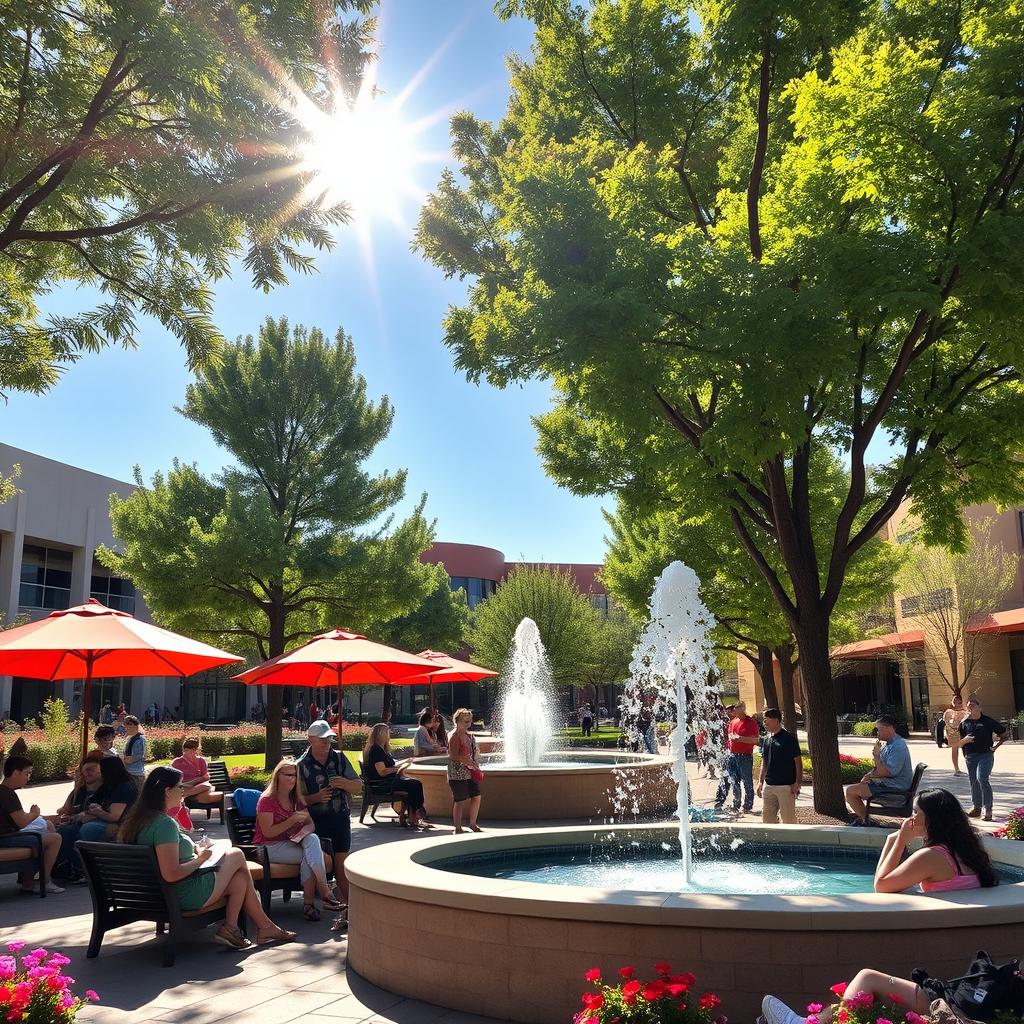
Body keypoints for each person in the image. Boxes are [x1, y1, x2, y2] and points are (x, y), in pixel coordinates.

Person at [119, 766, 296, 948]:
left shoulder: (139, 821)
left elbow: (167, 855)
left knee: (240, 878)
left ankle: (235, 928)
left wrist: (194, 849)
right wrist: (201, 859)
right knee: (235, 854)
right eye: (180, 787)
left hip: (154, 893)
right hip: (182, 894)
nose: (183, 791)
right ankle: (261, 927)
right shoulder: (164, 824)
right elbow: (171, 873)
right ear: (166, 791)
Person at [255, 759, 343, 921]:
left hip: (291, 843)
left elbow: (311, 824)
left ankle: (318, 897)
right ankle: (319, 897)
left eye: (295, 775)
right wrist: (292, 820)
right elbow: (268, 833)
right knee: (309, 855)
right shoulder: (267, 801)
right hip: (269, 847)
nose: (292, 779)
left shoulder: (297, 799)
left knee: (312, 838)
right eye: (288, 775)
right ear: (277, 776)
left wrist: (301, 834)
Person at [873, 787, 996, 893]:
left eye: (915, 812)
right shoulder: (966, 847)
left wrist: (898, 841)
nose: (911, 818)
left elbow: (881, 886)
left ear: (931, 818)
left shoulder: (931, 856)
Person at [296, 719, 361, 910]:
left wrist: (343, 783)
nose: (327, 743)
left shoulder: (339, 758)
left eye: (329, 739)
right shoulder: (302, 765)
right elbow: (296, 801)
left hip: (339, 817)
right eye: (322, 739)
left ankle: (349, 909)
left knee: (341, 866)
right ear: (311, 740)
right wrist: (316, 797)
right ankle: (324, 901)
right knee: (325, 864)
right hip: (315, 822)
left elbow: (358, 786)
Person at [0, 755, 64, 894]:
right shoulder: (6, 793)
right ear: (16, 773)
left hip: (8, 835)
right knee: (55, 839)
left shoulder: (4, 792)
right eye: (27, 773)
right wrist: (34, 813)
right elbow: (22, 822)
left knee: (43, 830)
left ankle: (28, 882)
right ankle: (45, 881)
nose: (28, 778)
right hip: (5, 839)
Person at [845, 714, 913, 826]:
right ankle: (866, 820)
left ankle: (868, 822)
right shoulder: (889, 745)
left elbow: (886, 772)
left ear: (888, 728)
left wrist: (876, 755)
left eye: (879, 729)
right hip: (888, 785)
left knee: (850, 792)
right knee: (853, 790)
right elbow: (879, 769)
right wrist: (869, 776)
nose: (877, 732)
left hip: (896, 790)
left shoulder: (898, 746)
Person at [363, 722, 429, 829]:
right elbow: (382, 772)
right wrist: (398, 769)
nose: (388, 734)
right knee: (414, 785)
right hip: (383, 784)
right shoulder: (376, 750)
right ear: (380, 734)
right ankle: (415, 816)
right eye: (386, 732)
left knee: (415, 783)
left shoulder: (382, 749)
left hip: (390, 781)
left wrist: (402, 764)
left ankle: (414, 816)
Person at [952, 695, 1007, 822]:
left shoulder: (988, 721)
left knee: (982, 778)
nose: (970, 707)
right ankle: (976, 808)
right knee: (974, 781)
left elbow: (1004, 734)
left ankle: (988, 809)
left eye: (973, 705)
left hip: (985, 755)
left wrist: (996, 746)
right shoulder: (964, 723)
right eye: (968, 705)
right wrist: (964, 746)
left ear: (979, 707)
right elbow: (957, 743)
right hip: (971, 756)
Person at [51, 755, 104, 879]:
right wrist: (63, 816)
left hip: (91, 823)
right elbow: (64, 810)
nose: (86, 773)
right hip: (73, 822)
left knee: (68, 832)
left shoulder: (105, 791)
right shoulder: (77, 792)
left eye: (91, 769)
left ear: (101, 771)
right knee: (54, 830)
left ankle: (77, 869)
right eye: (84, 770)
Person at [756, 708, 803, 824]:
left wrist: (797, 782)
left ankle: (791, 841)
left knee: (788, 820)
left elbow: (798, 762)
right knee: (767, 820)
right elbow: (764, 762)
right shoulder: (767, 740)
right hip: (769, 786)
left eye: (766, 720)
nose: (764, 723)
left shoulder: (789, 738)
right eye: (764, 720)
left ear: (776, 720)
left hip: (786, 787)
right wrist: (760, 781)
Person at [78, 755, 138, 842]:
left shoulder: (124, 787)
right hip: (106, 821)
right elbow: (92, 801)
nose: (101, 774)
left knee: (88, 829)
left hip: (121, 825)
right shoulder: (109, 786)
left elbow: (114, 817)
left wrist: (98, 812)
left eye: (102, 771)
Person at [448, 708, 483, 834]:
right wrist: (465, 760)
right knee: (460, 800)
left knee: (476, 796)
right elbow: (452, 756)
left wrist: (475, 763)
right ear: (457, 721)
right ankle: (457, 827)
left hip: (471, 772)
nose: (468, 724)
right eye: (465, 722)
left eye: (469, 721)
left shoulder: (469, 736)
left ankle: (473, 824)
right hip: (457, 774)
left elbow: (474, 752)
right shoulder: (454, 736)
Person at [720, 701, 759, 814]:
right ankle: (736, 803)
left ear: (743, 709)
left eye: (737, 709)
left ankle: (747, 805)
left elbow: (755, 740)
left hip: (745, 756)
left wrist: (740, 738)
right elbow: (730, 737)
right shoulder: (733, 722)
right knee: (733, 781)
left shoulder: (751, 722)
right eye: (734, 710)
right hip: (732, 755)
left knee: (747, 781)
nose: (734, 712)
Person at [170, 737, 221, 808]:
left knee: (206, 786)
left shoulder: (201, 761)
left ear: (196, 750)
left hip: (199, 786)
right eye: (185, 750)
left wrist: (197, 780)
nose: (186, 753)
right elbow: (172, 778)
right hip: (183, 786)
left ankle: (184, 795)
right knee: (205, 796)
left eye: (190, 751)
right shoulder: (177, 762)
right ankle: (225, 797)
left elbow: (206, 777)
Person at [943, 695, 968, 776]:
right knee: (955, 750)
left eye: (959, 702)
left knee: (966, 750)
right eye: (955, 702)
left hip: (962, 733)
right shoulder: (949, 712)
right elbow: (950, 723)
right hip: (953, 734)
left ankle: (970, 767)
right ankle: (956, 769)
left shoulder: (964, 712)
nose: (957, 704)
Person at [122, 715, 147, 779]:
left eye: (127, 724)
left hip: (135, 774)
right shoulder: (131, 738)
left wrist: (119, 758)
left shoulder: (139, 739)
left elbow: (131, 759)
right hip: (129, 773)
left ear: (134, 725)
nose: (125, 727)